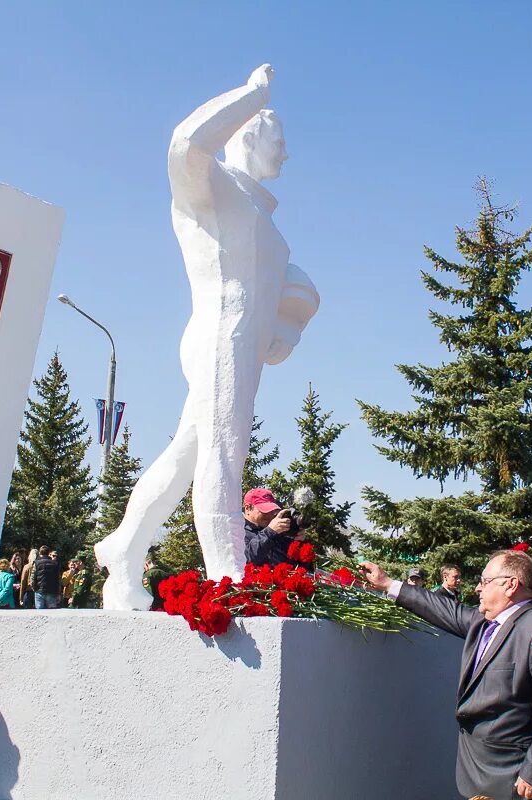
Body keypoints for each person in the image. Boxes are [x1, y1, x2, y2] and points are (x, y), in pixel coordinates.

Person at [95, 63, 320, 608]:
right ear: (248, 132)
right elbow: (187, 142)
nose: (286, 154)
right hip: (219, 335)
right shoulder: (213, 188)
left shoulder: (269, 225)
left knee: (187, 455)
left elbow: (298, 289)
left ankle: (123, 549)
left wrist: (284, 327)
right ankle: (229, 573)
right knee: (225, 450)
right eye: (279, 140)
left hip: (240, 340)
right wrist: (250, 96)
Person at [360, 550, 532, 800]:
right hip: (480, 775)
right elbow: (443, 609)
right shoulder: (485, 623)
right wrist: (387, 583)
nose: (478, 588)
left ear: (511, 585)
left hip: (518, 782)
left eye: (485, 581)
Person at [242, 488, 302, 568]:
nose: (269, 515)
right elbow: (244, 559)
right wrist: (269, 532)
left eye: (272, 511)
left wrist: (299, 542)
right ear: (248, 508)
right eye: (264, 510)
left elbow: (300, 565)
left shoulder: (277, 532)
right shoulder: (237, 530)